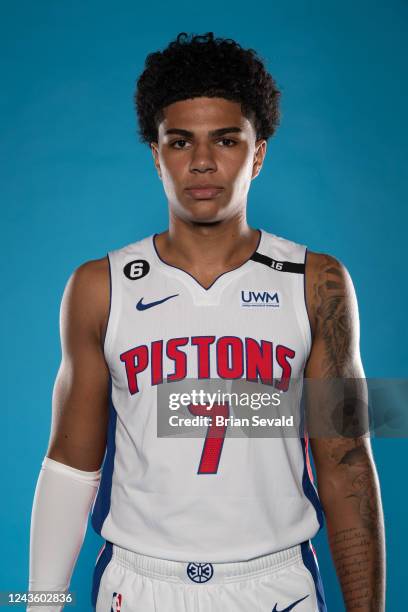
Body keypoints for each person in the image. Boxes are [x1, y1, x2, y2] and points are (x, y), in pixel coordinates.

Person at [28, 32, 385, 612]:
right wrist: (37, 604)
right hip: (140, 583)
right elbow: (72, 464)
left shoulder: (315, 282)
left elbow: (344, 460)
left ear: (258, 151)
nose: (201, 162)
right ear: (156, 153)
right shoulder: (101, 286)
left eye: (225, 139)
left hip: (276, 583)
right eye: (179, 141)